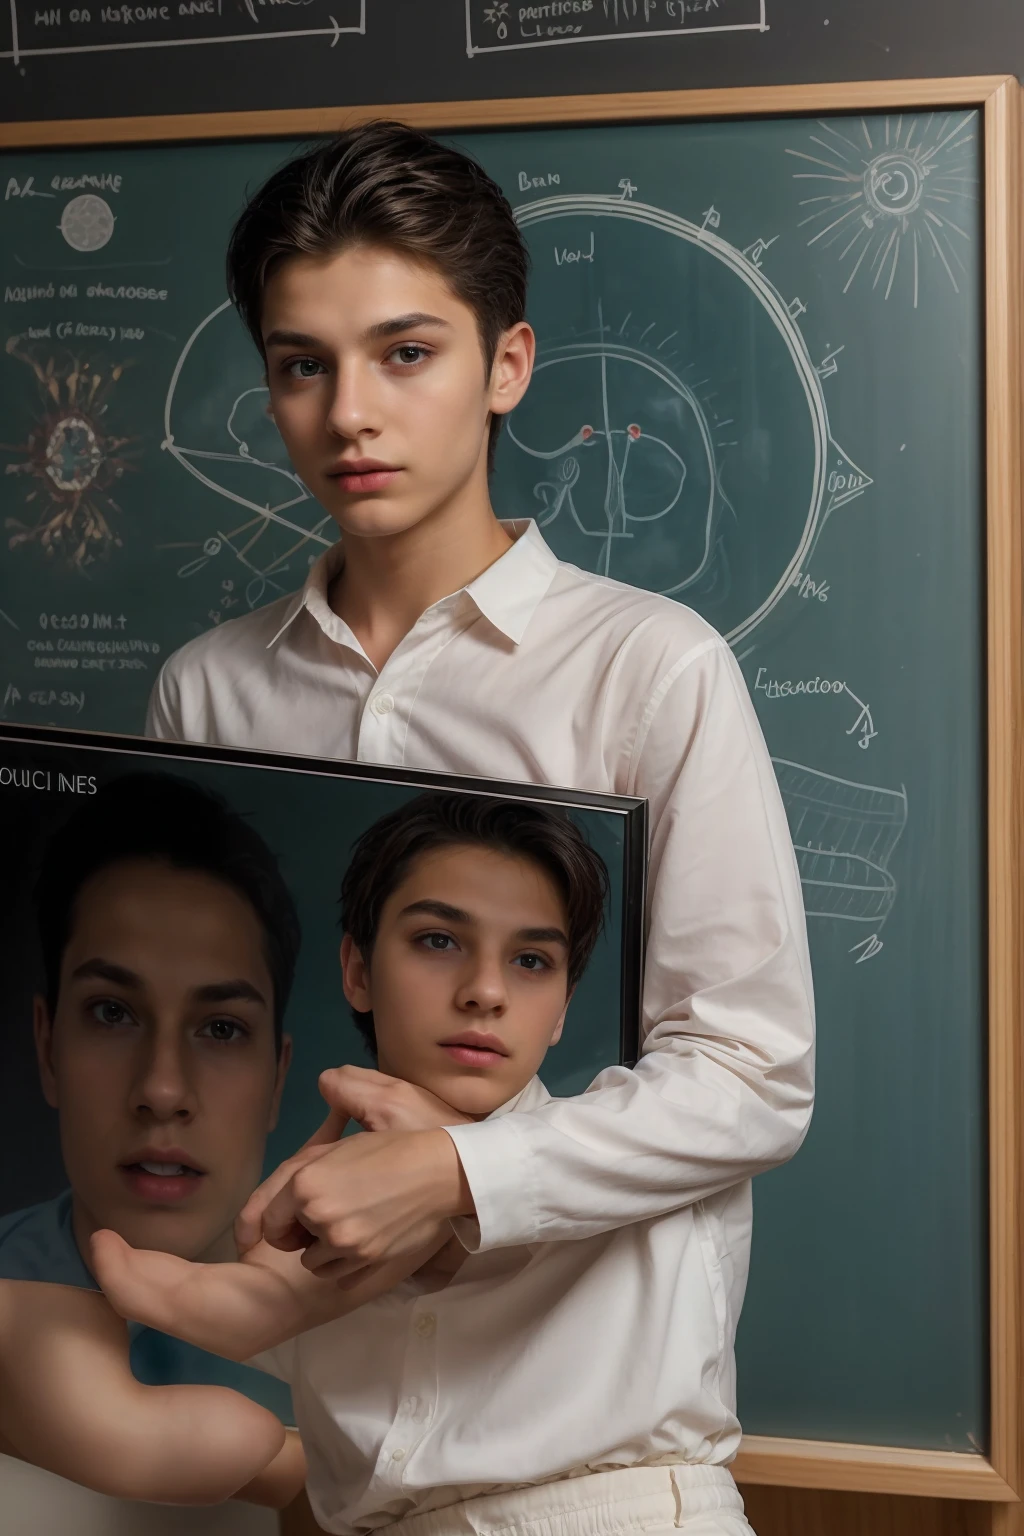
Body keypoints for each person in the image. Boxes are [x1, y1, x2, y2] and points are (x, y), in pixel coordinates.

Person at [143, 121, 816, 1535]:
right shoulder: (209, 689)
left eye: (406, 353)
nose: (350, 416)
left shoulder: (650, 665)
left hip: (606, 1499)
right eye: (300, 365)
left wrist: (457, 1166)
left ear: (505, 366)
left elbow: (754, 1069)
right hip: (342, 1503)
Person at [0, 772, 305, 1507]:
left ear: (276, 1081)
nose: (163, 1090)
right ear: (47, 1048)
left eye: (222, 1029)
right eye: (112, 1013)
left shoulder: (395, 1335)